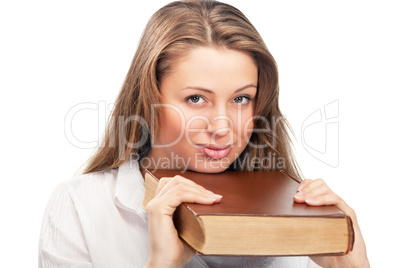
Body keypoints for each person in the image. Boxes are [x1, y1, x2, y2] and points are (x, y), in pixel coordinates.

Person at [38, 0, 370, 267]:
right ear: (150, 98)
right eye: (196, 99)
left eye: (241, 99)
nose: (222, 127)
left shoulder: (298, 218)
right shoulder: (81, 206)